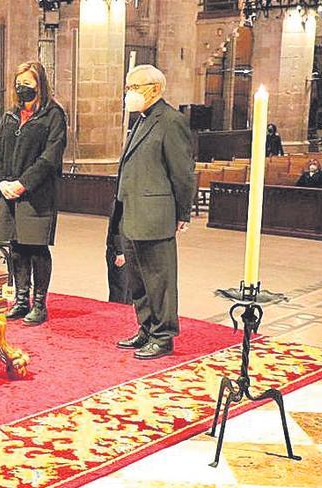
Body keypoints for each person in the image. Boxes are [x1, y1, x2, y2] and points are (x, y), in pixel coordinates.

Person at [110, 65, 195, 360]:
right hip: (132, 212)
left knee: (159, 278)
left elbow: (182, 173)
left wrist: (183, 213)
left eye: (135, 87)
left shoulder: (170, 121)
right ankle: (146, 327)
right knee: (138, 278)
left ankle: (163, 335)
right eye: (128, 87)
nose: (129, 93)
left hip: (155, 213)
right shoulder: (142, 120)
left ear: (155, 89)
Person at [0, 61, 67, 326]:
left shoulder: (53, 115)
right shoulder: (9, 115)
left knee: (36, 247)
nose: (22, 89)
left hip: (36, 193)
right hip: (7, 192)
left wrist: (23, 184)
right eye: (19, 84)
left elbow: (50, 157)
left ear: (40, 85)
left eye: (28, 84)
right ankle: (21, 300)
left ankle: (40, 304)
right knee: (16, 247)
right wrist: (0, 182)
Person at [106, 212, 132, 305]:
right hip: (120, 253)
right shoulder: (120, 204)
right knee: (119, 294)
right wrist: (120, 252)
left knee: (129, 293)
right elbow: (117, 227)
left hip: (130, 252)